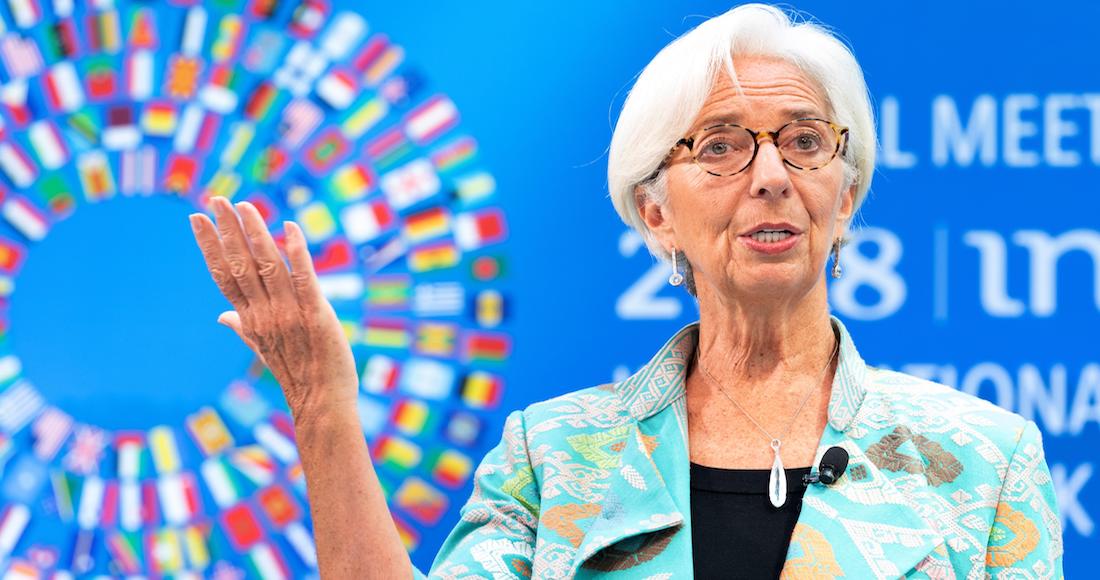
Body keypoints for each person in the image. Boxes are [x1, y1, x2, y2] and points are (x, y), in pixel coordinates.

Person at [188, 4, 1063, 578]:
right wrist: (322, 406)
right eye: (720, 146)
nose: (770, 176)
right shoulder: (555, 457)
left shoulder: (986, 463)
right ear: (655, 213)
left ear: (846, 195)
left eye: (804, 141)